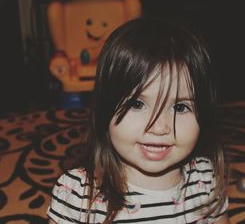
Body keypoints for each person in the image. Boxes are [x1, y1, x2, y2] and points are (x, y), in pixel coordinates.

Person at [47, 17, 230, 223]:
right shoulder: (78, 194)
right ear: (105, 108)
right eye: (137, 104)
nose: (159, 127)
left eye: (180, 107)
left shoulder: (206, 181)